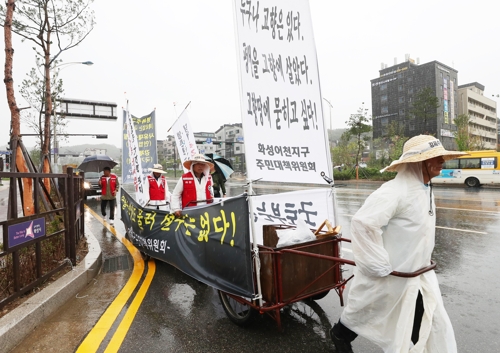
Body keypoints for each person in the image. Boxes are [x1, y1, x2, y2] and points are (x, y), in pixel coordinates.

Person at [330, 135, 466, 353]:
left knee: (425, 317)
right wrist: (379, 265)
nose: (442, 161)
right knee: (367, 309)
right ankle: (339, 333)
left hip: (417, 273)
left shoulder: (424, 188)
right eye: (437, 157)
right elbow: (363, 224)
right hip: (392, 272)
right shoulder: (394, 191)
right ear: (420, 162)